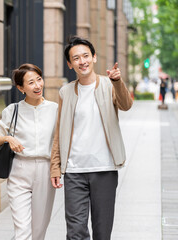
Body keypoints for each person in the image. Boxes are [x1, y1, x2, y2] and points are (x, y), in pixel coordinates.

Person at [50, 36, 133, 240]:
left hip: (104, 169)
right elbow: (59, 131)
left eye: (86, 56)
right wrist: (55, 166)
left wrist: (117, 81)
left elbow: (126, 105)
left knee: (102, 232)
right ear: (70, 64)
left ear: (94, 57)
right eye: (76, 58)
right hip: (74, 171)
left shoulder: (108, 85)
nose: (82, 61)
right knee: (75, 231)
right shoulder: (66, 92)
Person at [0, 63, 61, 240]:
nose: (37, 86)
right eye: (31, 82)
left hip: (45, 170)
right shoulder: (12, 110)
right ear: (21, 88)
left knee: (39, 229)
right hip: (19, 171)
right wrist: (8, 138)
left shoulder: (55, 109)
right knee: (22, 230)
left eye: (39, 80)